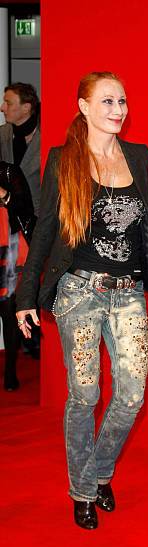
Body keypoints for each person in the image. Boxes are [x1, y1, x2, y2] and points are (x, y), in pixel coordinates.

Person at [16, 71, 148, 530]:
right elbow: (46, 230)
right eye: (108, 101)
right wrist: (25, 294)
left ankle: (97, 474)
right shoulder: (63, 160)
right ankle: (82, 490)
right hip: (79, 293)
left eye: (123, 101)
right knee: (85, 393)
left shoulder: (140, 158)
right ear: (84, 107)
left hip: (128, 292)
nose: (118, 109)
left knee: (131, 395)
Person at [0, 161, 35, 390]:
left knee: (9, 312)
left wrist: (3, 194)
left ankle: (10, 371)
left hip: (9, 249)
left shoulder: (8, 171)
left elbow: (26, 209)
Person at [0, 82, 40, 216]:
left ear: (26, 107)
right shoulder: (2, 134)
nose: (2, 108)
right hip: (7, 216)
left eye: (8, 103)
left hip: (37, 218)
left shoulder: (47, 137)